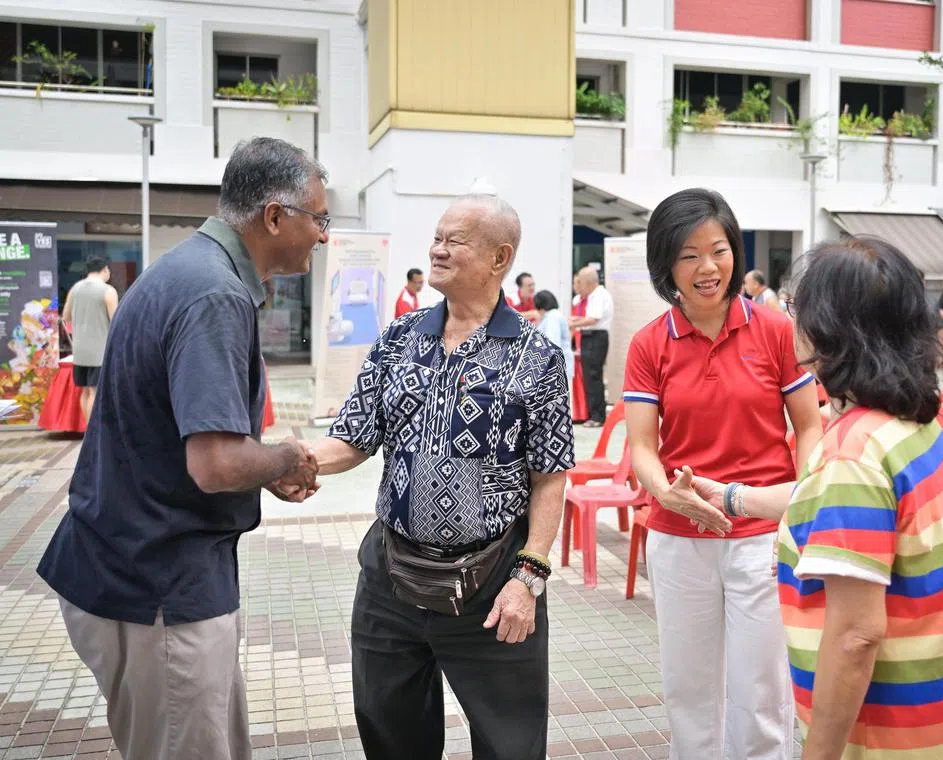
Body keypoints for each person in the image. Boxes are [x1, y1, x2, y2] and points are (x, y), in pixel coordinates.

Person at [36, 137, 325, 760]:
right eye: (319, 219)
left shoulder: (187, 269)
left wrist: (262, 466)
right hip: (157, 585)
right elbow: (217, 463)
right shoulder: (213, 294)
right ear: (275, 217)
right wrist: (282, 459)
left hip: (141, 571)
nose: (322, 236)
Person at [689, 235, 943, 759]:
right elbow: (825, 499)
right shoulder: (910, 423)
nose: (793, 323)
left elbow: (855, 636)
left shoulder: (854, 454)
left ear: (833, 329)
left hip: (889, 737)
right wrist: (732, 498)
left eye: (799, 309)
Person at [301, 195, 574, 760]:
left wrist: (530, 576)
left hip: (496, 587)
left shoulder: (538, 358)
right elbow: (352, 437)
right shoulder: (399, 340)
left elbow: (550, 477)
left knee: (511, 745)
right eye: (437, 237)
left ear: (499, 257)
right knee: (390, 735)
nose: (436, 249)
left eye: (454, 240)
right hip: (390, 581)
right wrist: (286, 461)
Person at [623, 188, 822, 760]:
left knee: (761, 689)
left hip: (761, 534)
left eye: (718, 250)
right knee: (688, 687)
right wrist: (667, 494)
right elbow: (642, 444)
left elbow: (809, 425)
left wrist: (799, 496)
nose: (707, 267)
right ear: (666, 265)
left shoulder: (775, 328)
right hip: (679, 534)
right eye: (688, 255)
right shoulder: (648, 343)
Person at [61, 256, 118, 423]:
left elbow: (66, 316)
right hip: (99, 351)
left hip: (79, 351)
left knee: (85, 392)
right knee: (95, 392)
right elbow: (116, 321)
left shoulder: (75, 289)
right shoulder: (108, 290)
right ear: (105, 270)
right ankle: (93, 434)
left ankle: (87, 433)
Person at [569, 266, 613, 427]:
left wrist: (573, 322)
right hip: (589, 337)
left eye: (581, 282)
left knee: (593, 376)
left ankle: (597, 416)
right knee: (589, 376)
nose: (579, 285)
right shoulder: (591, 296)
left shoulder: (599, 295)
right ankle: (592, 413)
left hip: (596, 336)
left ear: (589, 282)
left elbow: (593, 319)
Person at [533, 289, 573, 387]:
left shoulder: (552, 317)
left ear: (540, 306)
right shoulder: (551, 316)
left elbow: (551, 343)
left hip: (555, 366)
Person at [569, 272, 590, 423]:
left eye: (578, 283)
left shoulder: (591, 300)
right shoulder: (576, 301)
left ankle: (586, 412)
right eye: (575, 283)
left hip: (587, 341)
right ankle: (579, 413)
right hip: (576, 342)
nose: (576, 286)